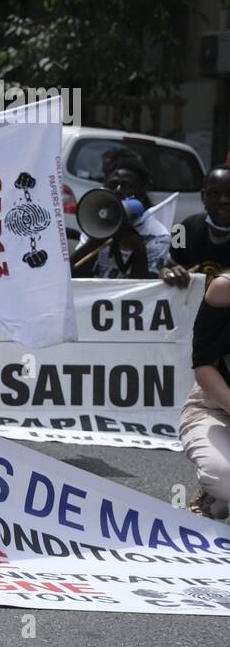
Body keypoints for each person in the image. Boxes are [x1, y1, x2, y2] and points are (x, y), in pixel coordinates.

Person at [180, 272, 230, 520]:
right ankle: (213, 494)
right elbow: (203, 366)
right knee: (223, 477)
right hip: (215, 404)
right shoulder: (224, 289)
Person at [72, 152, 170, 279]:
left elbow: (146, 291)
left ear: (142, 192)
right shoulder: (96, 225)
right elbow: (72, 274)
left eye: (128, 185)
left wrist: (139, 250)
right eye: (113, 185)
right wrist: (95, 240)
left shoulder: (158, 235)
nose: (118, 190)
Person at [162, 167, 230, 288]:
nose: (223, 200)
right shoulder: (182, 229)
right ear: (203, 197)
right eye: (215, 193)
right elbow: (168, 267)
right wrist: (170, 274)